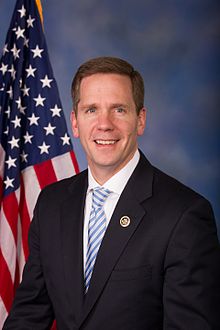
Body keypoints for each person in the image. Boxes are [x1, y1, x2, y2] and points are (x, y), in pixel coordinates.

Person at [4, 56, 220, 329]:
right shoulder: (52, 204)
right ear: (75, 122)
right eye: (91, 110)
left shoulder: (184, 215)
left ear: (140, 120)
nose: (104, 124)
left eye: (118, 109)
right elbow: (29, 315)